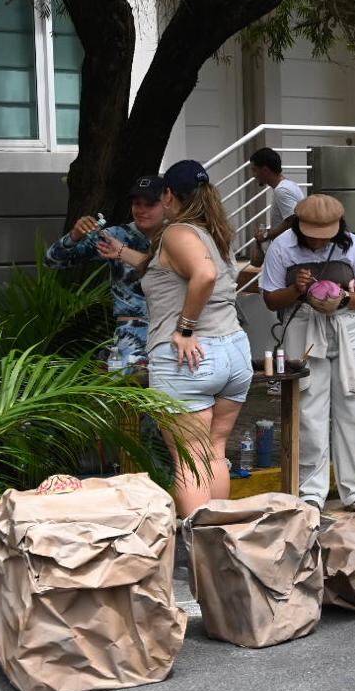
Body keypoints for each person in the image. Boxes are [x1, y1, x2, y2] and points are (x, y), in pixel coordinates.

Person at [99, 159, 252, 517]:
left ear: (169, 195)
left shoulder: (177, 232)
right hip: (233, 351)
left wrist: (184, 328)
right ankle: (215, 542)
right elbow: (173, 271)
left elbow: (204, 275)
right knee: (214, 451)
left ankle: (198, 546)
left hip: (192, 357)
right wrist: (123, 253)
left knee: (189, 459)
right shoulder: (215, 232)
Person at [259, 194, 355, 511]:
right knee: (308, 408)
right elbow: (271, 299)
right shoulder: (282, 247)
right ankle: (311, 490)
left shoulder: (352, 244)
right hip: (302, 326)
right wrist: (296, 290)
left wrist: (343, 300)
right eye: (312, 235)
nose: (317, 242)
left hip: (347, 326)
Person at [42, 175, 166, 371]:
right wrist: (74, 236)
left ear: (167, 203)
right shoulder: (116, 235)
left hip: (172, 330)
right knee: (130, 394)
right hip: (132, 335)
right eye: (136, 204)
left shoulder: (180, 236)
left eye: (149, 204)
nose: (141, 210)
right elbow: (53, 260)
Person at [249, 147, 305, 242]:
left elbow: (292, 221)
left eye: (255, 170)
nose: (254, 175)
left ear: (265, 170)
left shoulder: (282, 190)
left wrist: (266, 235)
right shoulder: (289, 185)